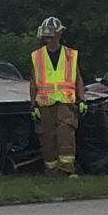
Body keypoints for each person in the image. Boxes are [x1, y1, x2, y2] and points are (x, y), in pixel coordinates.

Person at [30, 16, 81, 177]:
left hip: (66, 102)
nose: (48, 40)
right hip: (45, 103)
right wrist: (33, 105)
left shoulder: (70, 55)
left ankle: (66, 170)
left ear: (59, 35)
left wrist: (82, 99)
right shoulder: (37, 56)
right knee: (47, 137)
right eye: (46, 37)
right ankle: (51, 171)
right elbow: (33, 81)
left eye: (51, 37)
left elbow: (78, 79)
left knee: (66, 135)